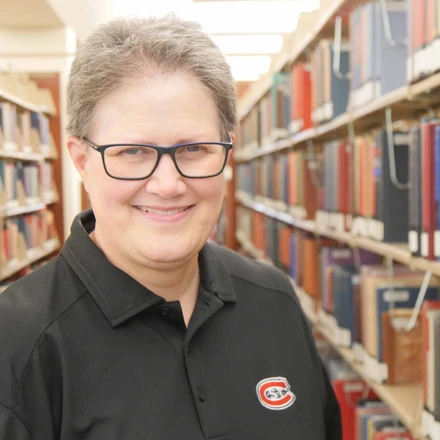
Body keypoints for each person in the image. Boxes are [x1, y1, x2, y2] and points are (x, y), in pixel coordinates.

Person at [0, 14, 341, 440]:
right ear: (82, 161)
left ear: (228, 152)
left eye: (195, 148)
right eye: (133, 152)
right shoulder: (16, 344)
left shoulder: (275, 301)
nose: (168, 185)